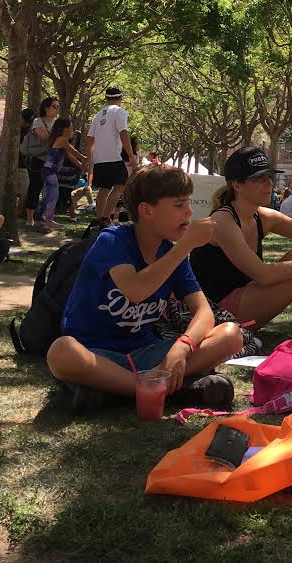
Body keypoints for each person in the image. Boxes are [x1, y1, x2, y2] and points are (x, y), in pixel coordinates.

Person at [46, 164, 242, 414]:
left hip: (147, 355)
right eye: (179, 205)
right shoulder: (112, 241)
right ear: (146, 211)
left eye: (188, 204)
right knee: (61, 352)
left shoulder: (171, 253)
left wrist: (183, 346)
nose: (189, 212)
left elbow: (204, 312)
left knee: (230, 335)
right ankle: (160, 389)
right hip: (95, 354)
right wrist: (186, 245)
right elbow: (136, 290)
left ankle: (119, 390)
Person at [188, 146, 292, 329]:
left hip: (246, 295)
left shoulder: (263, 216)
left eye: (269, 177)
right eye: (259, 178)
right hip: (215, 312)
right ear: (237, 185)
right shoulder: (223, 220)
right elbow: (264, 276)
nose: (268, 183)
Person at [84, 86, 136, 221]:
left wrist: (89, 157)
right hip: (114, 157)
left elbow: (90, 138)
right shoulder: (120, 111)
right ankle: (106, 218)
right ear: (121, 98)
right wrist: (131, 155)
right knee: (120, 186)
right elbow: (124, 133)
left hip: (99, 159)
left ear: (106, 99)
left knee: (104, 188)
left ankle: (99, 220)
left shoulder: (98, 115)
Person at [36, 118, 85, 230]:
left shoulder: (60, 140)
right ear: (65, 128)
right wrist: (84, 158)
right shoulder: (62, 139)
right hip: (50, 172)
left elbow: (70, 156)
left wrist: (81, 165)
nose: (72, 129)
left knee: (48, 196)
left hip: (49, 171)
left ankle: (40, 218)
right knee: (53, 196)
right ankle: (48, 221)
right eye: (71, 127)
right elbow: (74, 151)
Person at [22, 97, 60, 226]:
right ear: (46, 108)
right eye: (54, 106)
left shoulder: (56, 123)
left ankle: (45, 217)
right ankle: (30, 218)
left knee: (50, 188)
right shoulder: (38, 121)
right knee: (35, 186)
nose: (57, 109)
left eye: (58, 106)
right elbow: (46, 138)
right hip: (37, 159)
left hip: (50, 160)